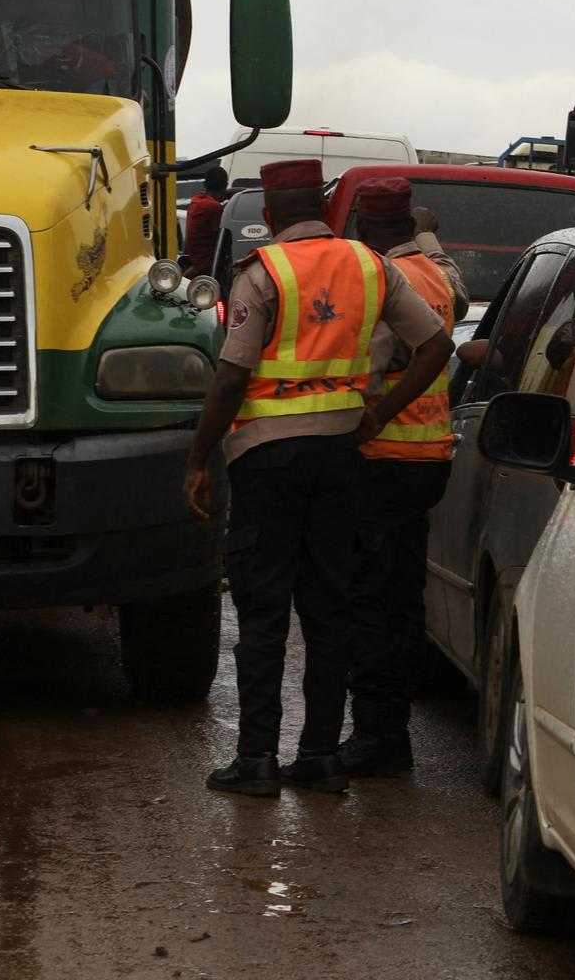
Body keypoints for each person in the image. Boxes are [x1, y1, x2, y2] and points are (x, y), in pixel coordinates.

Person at [182, 159, 453, 798]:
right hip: (343, 456)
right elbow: (437, 345)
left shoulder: (263, 273)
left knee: (264, 607)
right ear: (327, 212)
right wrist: (376, 414)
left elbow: (230, 377)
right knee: (330, 606)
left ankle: (255, 761)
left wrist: (197, 458)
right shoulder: (371, 266)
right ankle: (320, 756)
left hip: (267, 462)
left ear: (270, 216)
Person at [340, 178, 469, 777]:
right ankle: (389, 730)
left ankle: (380, 736)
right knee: (401, 599)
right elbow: (458, 303)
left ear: (363, 227)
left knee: (371, 604)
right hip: (429, 456)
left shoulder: (379, 282)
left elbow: (378, 366)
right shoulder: (436, 274)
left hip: (384, 456)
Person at [183, 166, 230, 275]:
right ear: (226, 185)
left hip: (196, 262)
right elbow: (222, 240)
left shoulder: (196, 201)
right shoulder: (213, 207)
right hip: (208, 266)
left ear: (205, 185)